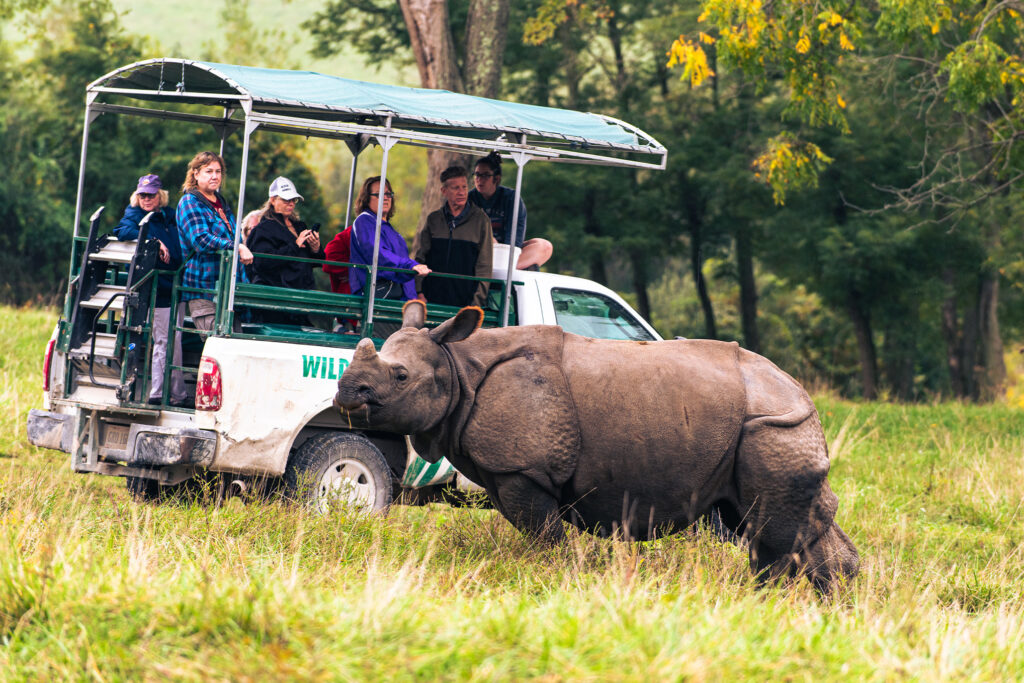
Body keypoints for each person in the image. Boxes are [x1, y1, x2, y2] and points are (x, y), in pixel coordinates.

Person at [113, 174, 187, 406]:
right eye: (143, 195)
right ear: (137, 196)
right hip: (155, 289)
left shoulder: (170, 215)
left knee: (174, 339)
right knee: (163, 341)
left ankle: (176, 392)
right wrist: (154, 242)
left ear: (160, 196)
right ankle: (160, 392)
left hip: (175, 286)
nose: (146, 199)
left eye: (151, 195)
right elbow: (121, 231)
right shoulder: (134, 215)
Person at [176, 151, 253, 333]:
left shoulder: (221, 204)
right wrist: (237, 247)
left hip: (229, 290)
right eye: (209, 171)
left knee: (235, 342)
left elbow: (234, 237)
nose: (215, 176)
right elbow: (200, 240)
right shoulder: (190, 201)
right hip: (205, 289)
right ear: (196, 174)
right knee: (216, 341)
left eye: (218, 172)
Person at [247, 176, 325, 326]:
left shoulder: (299, 226)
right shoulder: (263, 229)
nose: (291, 203)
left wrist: (315, 248)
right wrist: (294, 245)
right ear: (272, 200)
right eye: (286, 199)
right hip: (275, 300)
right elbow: (262, 262)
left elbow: (313, 261)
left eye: (293, 200)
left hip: (301, 299)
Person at [414, 166, 493, 309]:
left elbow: (484, 266)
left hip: (465, 305)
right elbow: (421, 259)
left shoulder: (481, 220)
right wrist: (419, 292)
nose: (461, 192)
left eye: (464, 187)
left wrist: (476, 304)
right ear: (444, 191)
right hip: (430, 300)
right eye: (455, 188)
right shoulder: (433, 219)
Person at [349, 176, 430, 301]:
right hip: (377, 297)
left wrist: (412, 299)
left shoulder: (393, 232)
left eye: (388, 194)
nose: (386, 197)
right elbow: (378, 255)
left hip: (399, 298)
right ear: (366, 198)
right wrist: (410, 265)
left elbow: (403, 270)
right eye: (379, 194)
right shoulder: (364, 221)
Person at [468, 151, 552, 270]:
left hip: (505, 252)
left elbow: (515, 237)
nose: (479, 179)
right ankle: (512, 268)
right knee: (488, 237)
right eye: (477, 175)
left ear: (496, 179)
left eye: (485, 175)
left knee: (544, 246)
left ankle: (503, 269)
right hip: (478, 251)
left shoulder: (511, 198)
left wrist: (504, 254)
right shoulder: (469, 199)